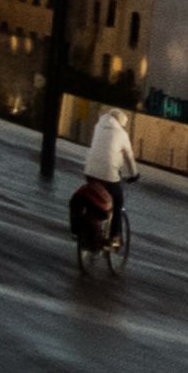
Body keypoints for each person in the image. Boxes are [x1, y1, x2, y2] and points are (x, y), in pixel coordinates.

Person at [64, 101, 136, 266]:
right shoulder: (122, 134)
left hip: (90, 172)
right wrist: (134, 174)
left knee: (93, 196)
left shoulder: (98, 126)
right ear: (121, 123)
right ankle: (115, 237)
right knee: (117, 201)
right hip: (109, 176)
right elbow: (129, 157)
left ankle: (85, 229)